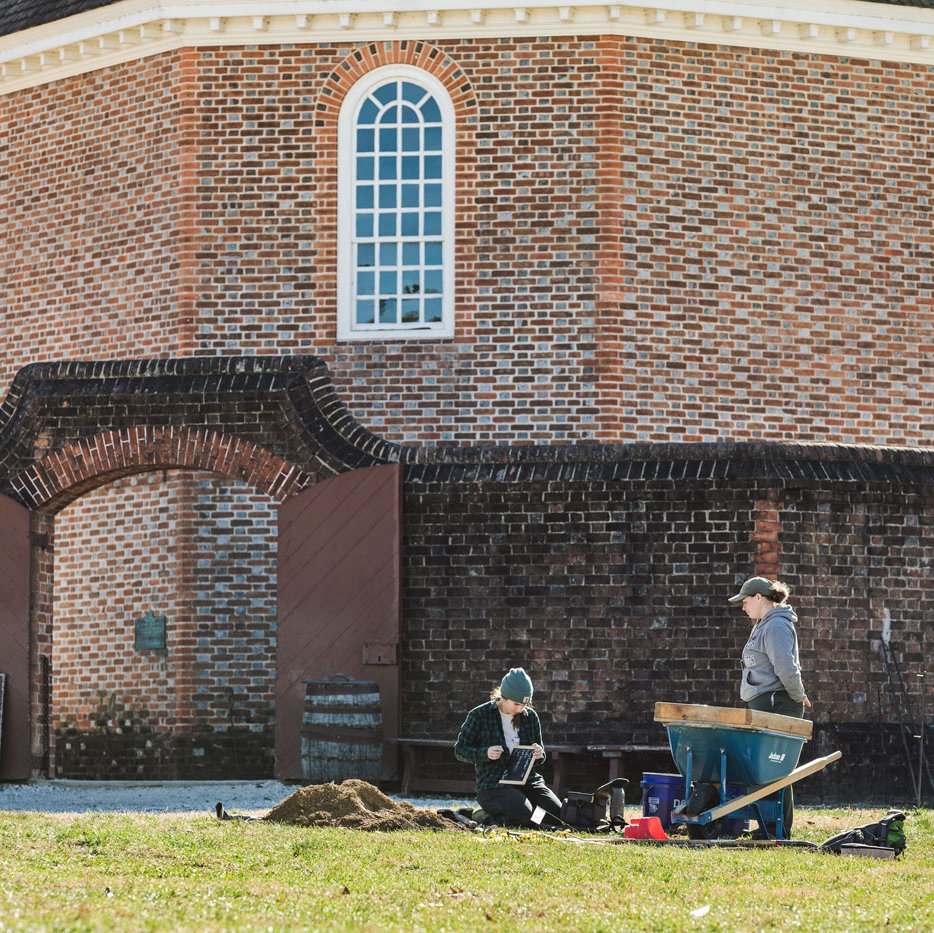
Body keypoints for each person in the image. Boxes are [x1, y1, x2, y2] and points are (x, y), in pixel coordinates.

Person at [728, 575, 811, 837]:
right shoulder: (763, 624)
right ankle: (768, 827)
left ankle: (777, 830)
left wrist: (799, 696)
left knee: (775, 767)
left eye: (745, 600)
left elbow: (786, 667)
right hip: (766, 703)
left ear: (759, 598)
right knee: (765, 769)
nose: (743, 606)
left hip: (778, 704)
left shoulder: (775, 626)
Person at [454, 667, 563, 827]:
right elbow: (460, 750)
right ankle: (484, 817)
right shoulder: (479, 715)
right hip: (493, 784)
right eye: (516, 703)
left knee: (555, 814)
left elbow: (540, 755)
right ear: (503, 697)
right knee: (523, 813)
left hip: (527, 781)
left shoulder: (530, 717)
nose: (520, 709)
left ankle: (532, 820)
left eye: (524, 704)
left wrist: (539, 754)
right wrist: (485, 753)